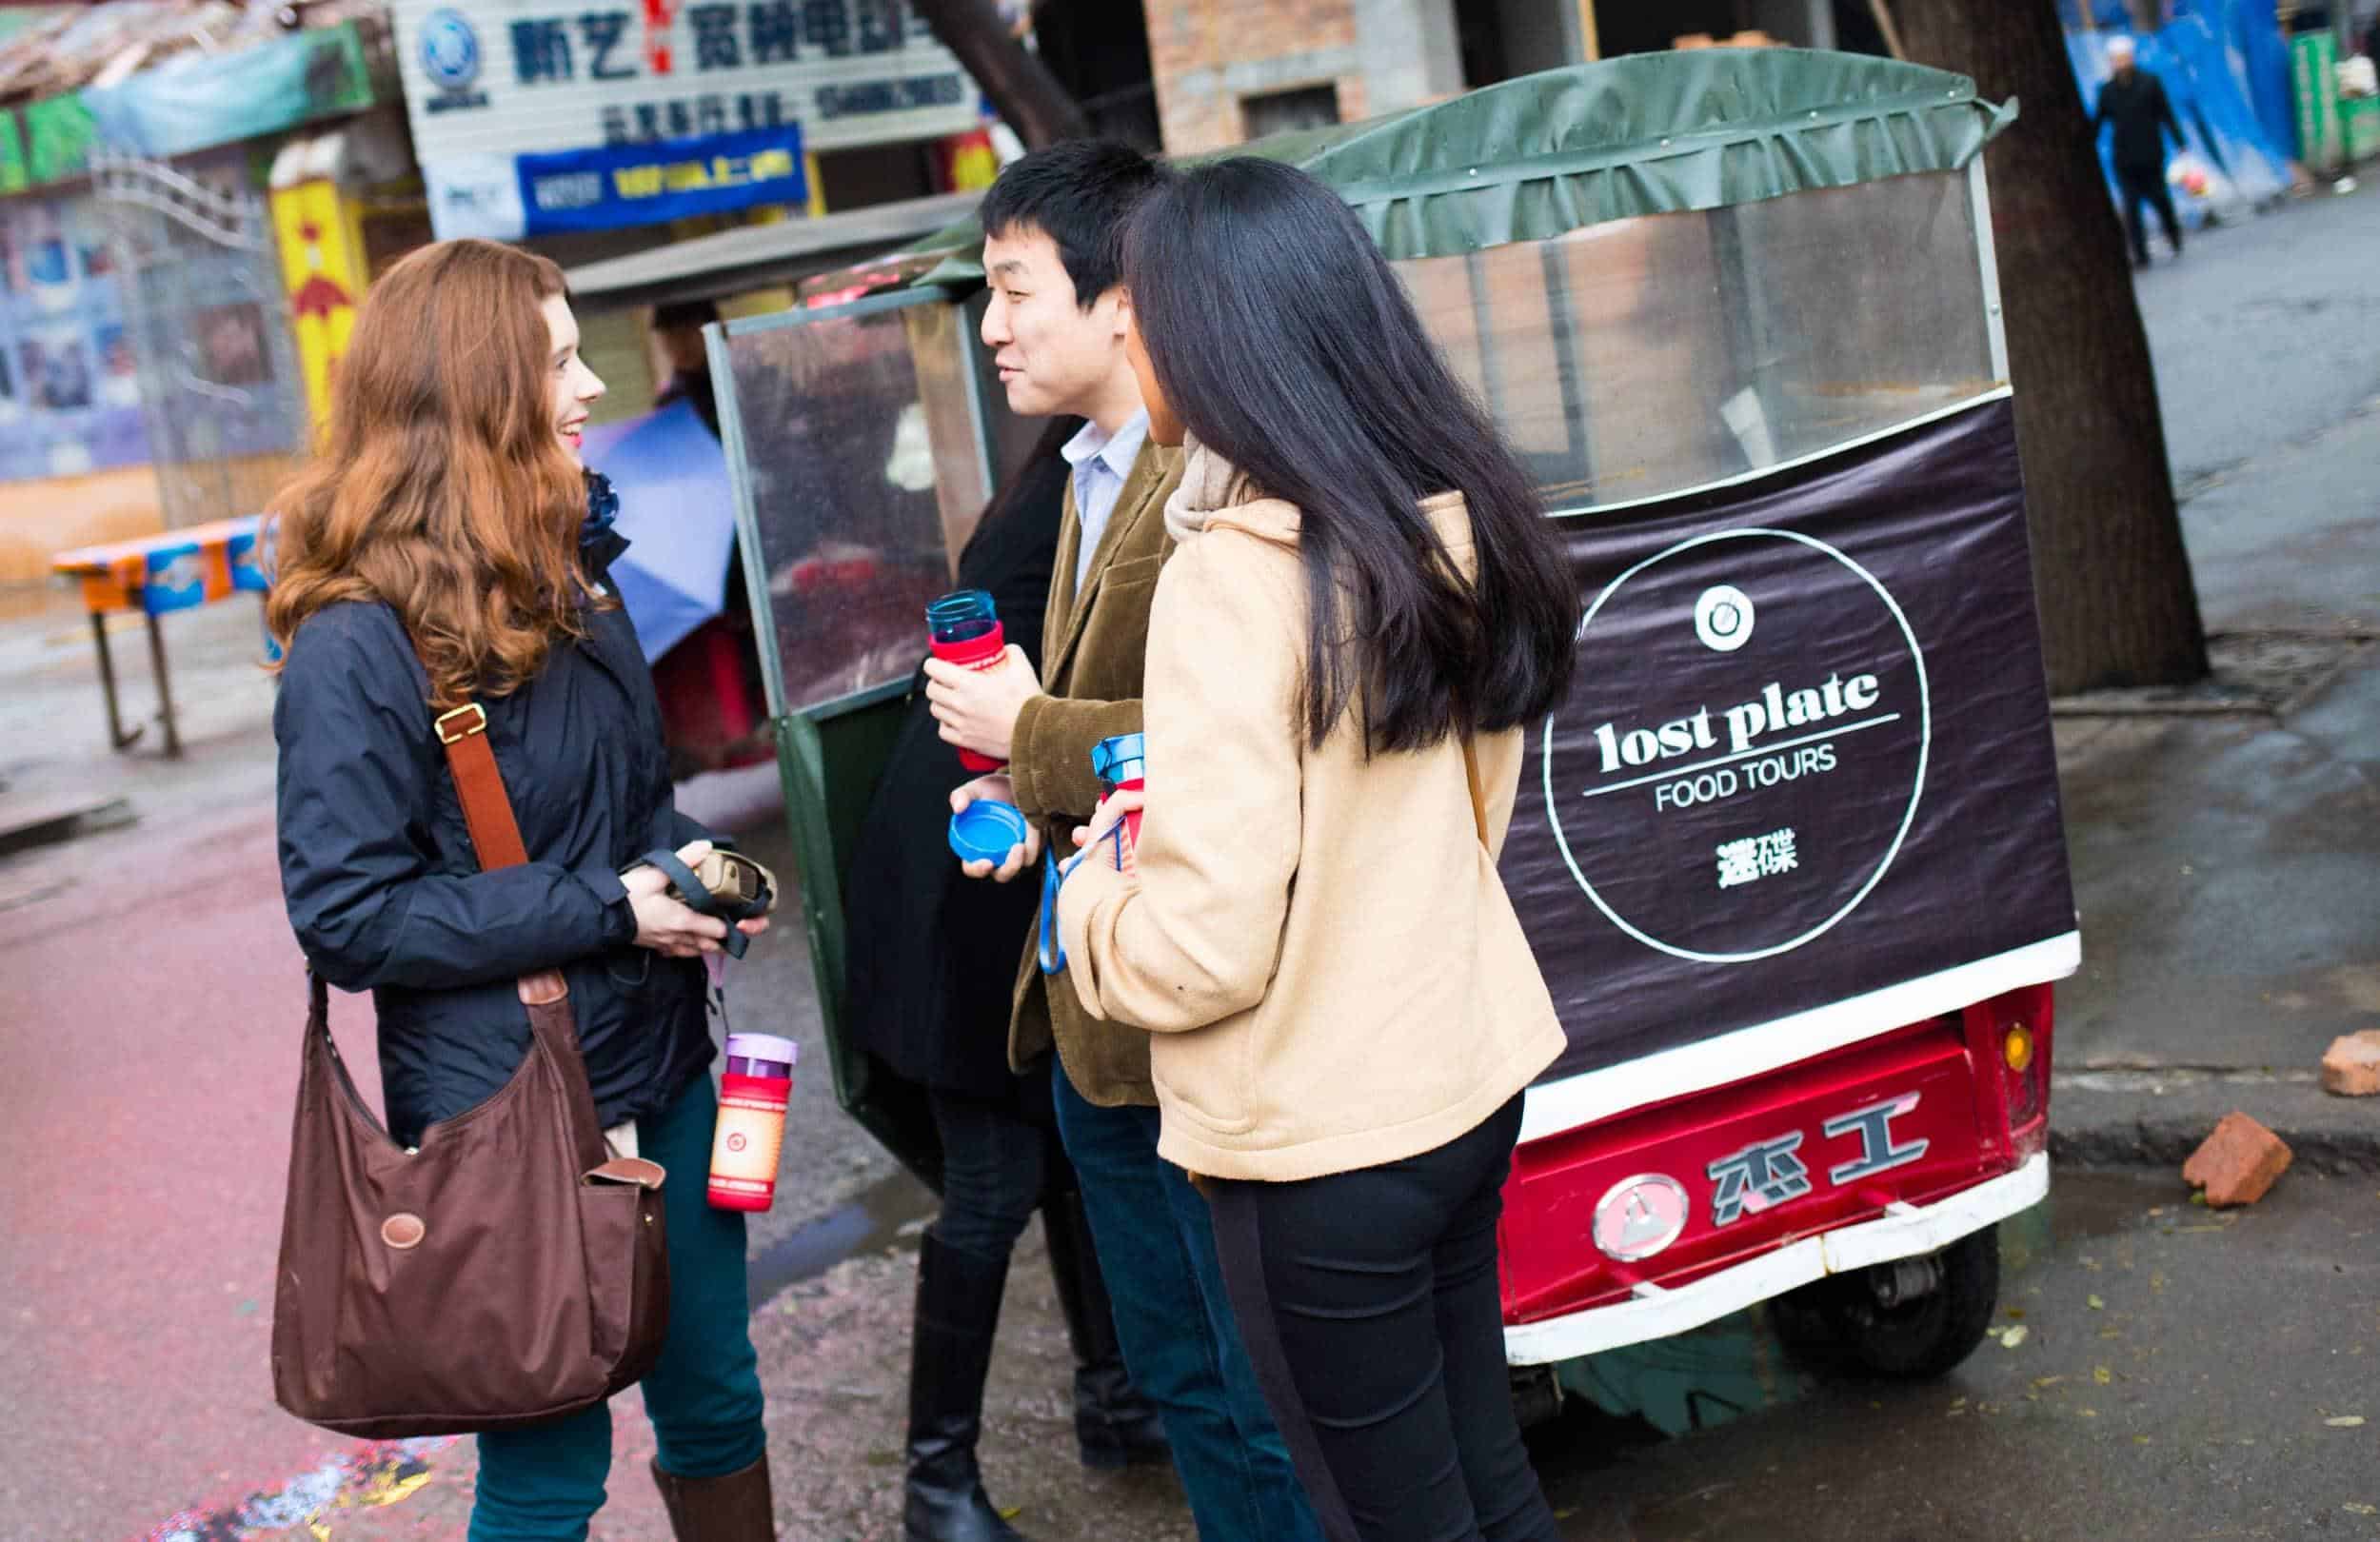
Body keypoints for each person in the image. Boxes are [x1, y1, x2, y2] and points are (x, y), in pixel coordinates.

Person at [1051, 158, 1579, 1542]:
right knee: (1489, 1484)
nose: (1130, 340)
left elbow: (1203, 953)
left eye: (1143, 314)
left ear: (1218, 338)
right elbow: (1464, 816)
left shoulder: (1232, 573)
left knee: (1385, 1520)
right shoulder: (1445, 524)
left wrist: (1091, 897)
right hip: (1461, 1078)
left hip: (1318, 1144)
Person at [268, 239, 774, 1542]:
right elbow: (349, 915)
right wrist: (615, 907)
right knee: (551, 1464)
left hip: (661, 1067)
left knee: (717, 1402)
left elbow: (625, 802)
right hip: (508, 1112)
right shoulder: (355, 641)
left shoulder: (570, 566)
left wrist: (692, 871)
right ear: (476, 392)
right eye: (557, 359)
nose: (593, 384)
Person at [922, 140, 1324, 1542]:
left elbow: (1233, 730)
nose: (993, 324)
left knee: (1256, 1389)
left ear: (1121, 300)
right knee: (1182, 1380)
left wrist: (1031, 732)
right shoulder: (1091, 470)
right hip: (1092, 1007)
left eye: (1014, 286)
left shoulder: (1216, 476)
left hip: (1195, 1008)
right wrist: (1029, 815)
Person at [843, 417, 1169, 1542]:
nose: (999, 326)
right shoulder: (1086, 481)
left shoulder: (1094, 469)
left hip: (1019, 856)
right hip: (971, 872)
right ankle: (936, 1485)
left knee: (1072, 1152)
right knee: (993, 1184)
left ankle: (1116, 1398)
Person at [2094, 35, 2188, 268]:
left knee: (2160, 198)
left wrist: (2179, 142)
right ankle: (2140, 254)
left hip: (2150, 154)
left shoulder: (2149, 82)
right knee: (2131, 207)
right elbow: (2099, 121)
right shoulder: (2107, 91)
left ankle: (2173, 234)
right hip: (2124, 158)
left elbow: (2165, 113)